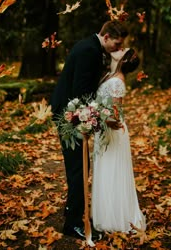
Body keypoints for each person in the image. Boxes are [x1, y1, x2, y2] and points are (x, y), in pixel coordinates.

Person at [50, 21, 128, 239]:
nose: (117, 47)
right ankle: (73, 223)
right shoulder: (90, 51)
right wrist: (86, 120)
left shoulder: (91, 46)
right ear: (106, 36)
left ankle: (71, 209)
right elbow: (80, 92)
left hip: (70, 112)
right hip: (70, 116)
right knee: (79, 168)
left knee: (79, 165)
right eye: (116, 43)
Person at [91, 48, 146, 233]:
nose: (119, 48)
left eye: (123, 50)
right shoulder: (110, 75)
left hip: (112, 131)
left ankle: (113, 217)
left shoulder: (117, 81)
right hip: (104, 128)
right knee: (105, 169)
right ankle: (105, 213)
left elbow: (115, 113)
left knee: (111, 171)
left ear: (123, 60)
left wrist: (94, 116)